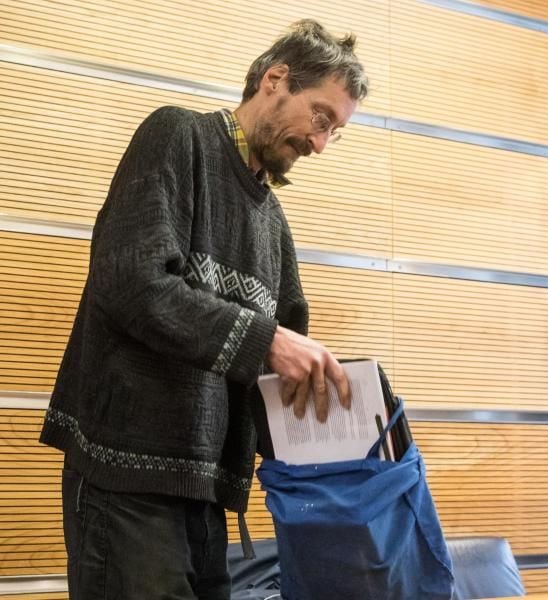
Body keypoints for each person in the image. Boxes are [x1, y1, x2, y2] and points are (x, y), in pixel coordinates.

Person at [39, 19, 368, 599]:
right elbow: (132, 284)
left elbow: (275, 385)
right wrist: (268, 340)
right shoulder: (176, 136)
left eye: (334, 133)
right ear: (276, 79)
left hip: (209, 498)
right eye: (321, 117)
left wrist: (351, 438)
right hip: (127, 481)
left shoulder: (275, 228)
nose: (319, 144)